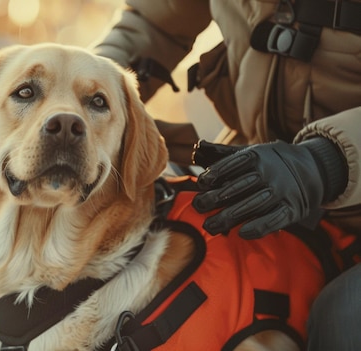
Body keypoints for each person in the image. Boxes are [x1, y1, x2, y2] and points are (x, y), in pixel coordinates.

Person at [93, 0, 361, 350]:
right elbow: (155, 23)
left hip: (337, 178)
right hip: (257, 165)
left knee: (344, 314)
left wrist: (326, 162)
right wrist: (87, 96)